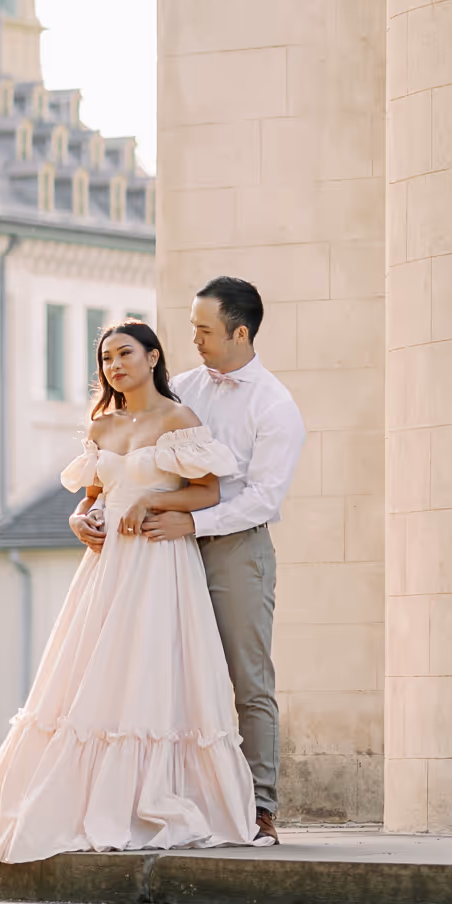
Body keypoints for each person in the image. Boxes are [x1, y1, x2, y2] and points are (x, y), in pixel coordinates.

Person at [0, 320, 257, 862]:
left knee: (150, 670)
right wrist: (78, 518)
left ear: (153, 357)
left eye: (124, 353)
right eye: (106, 358)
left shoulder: (179, 420)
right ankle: (80, 796)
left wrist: (154, 500)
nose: (114, 365)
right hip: (107, 566)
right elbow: (92, 496)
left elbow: (208, 491)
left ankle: (156, 796)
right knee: (93, 674)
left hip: (159, 562)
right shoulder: (102, 426)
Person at [138, 277, 305, 846]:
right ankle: (177, 800)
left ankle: (259, 807)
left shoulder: (274, 406)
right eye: (193, 328)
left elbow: (263, 498)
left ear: (240, 333)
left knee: (248, 680)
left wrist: (194, 523)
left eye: (204, 330)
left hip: (237, 551)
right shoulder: (182, 389)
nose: (194, 340)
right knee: (172, 675)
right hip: (170, 549)